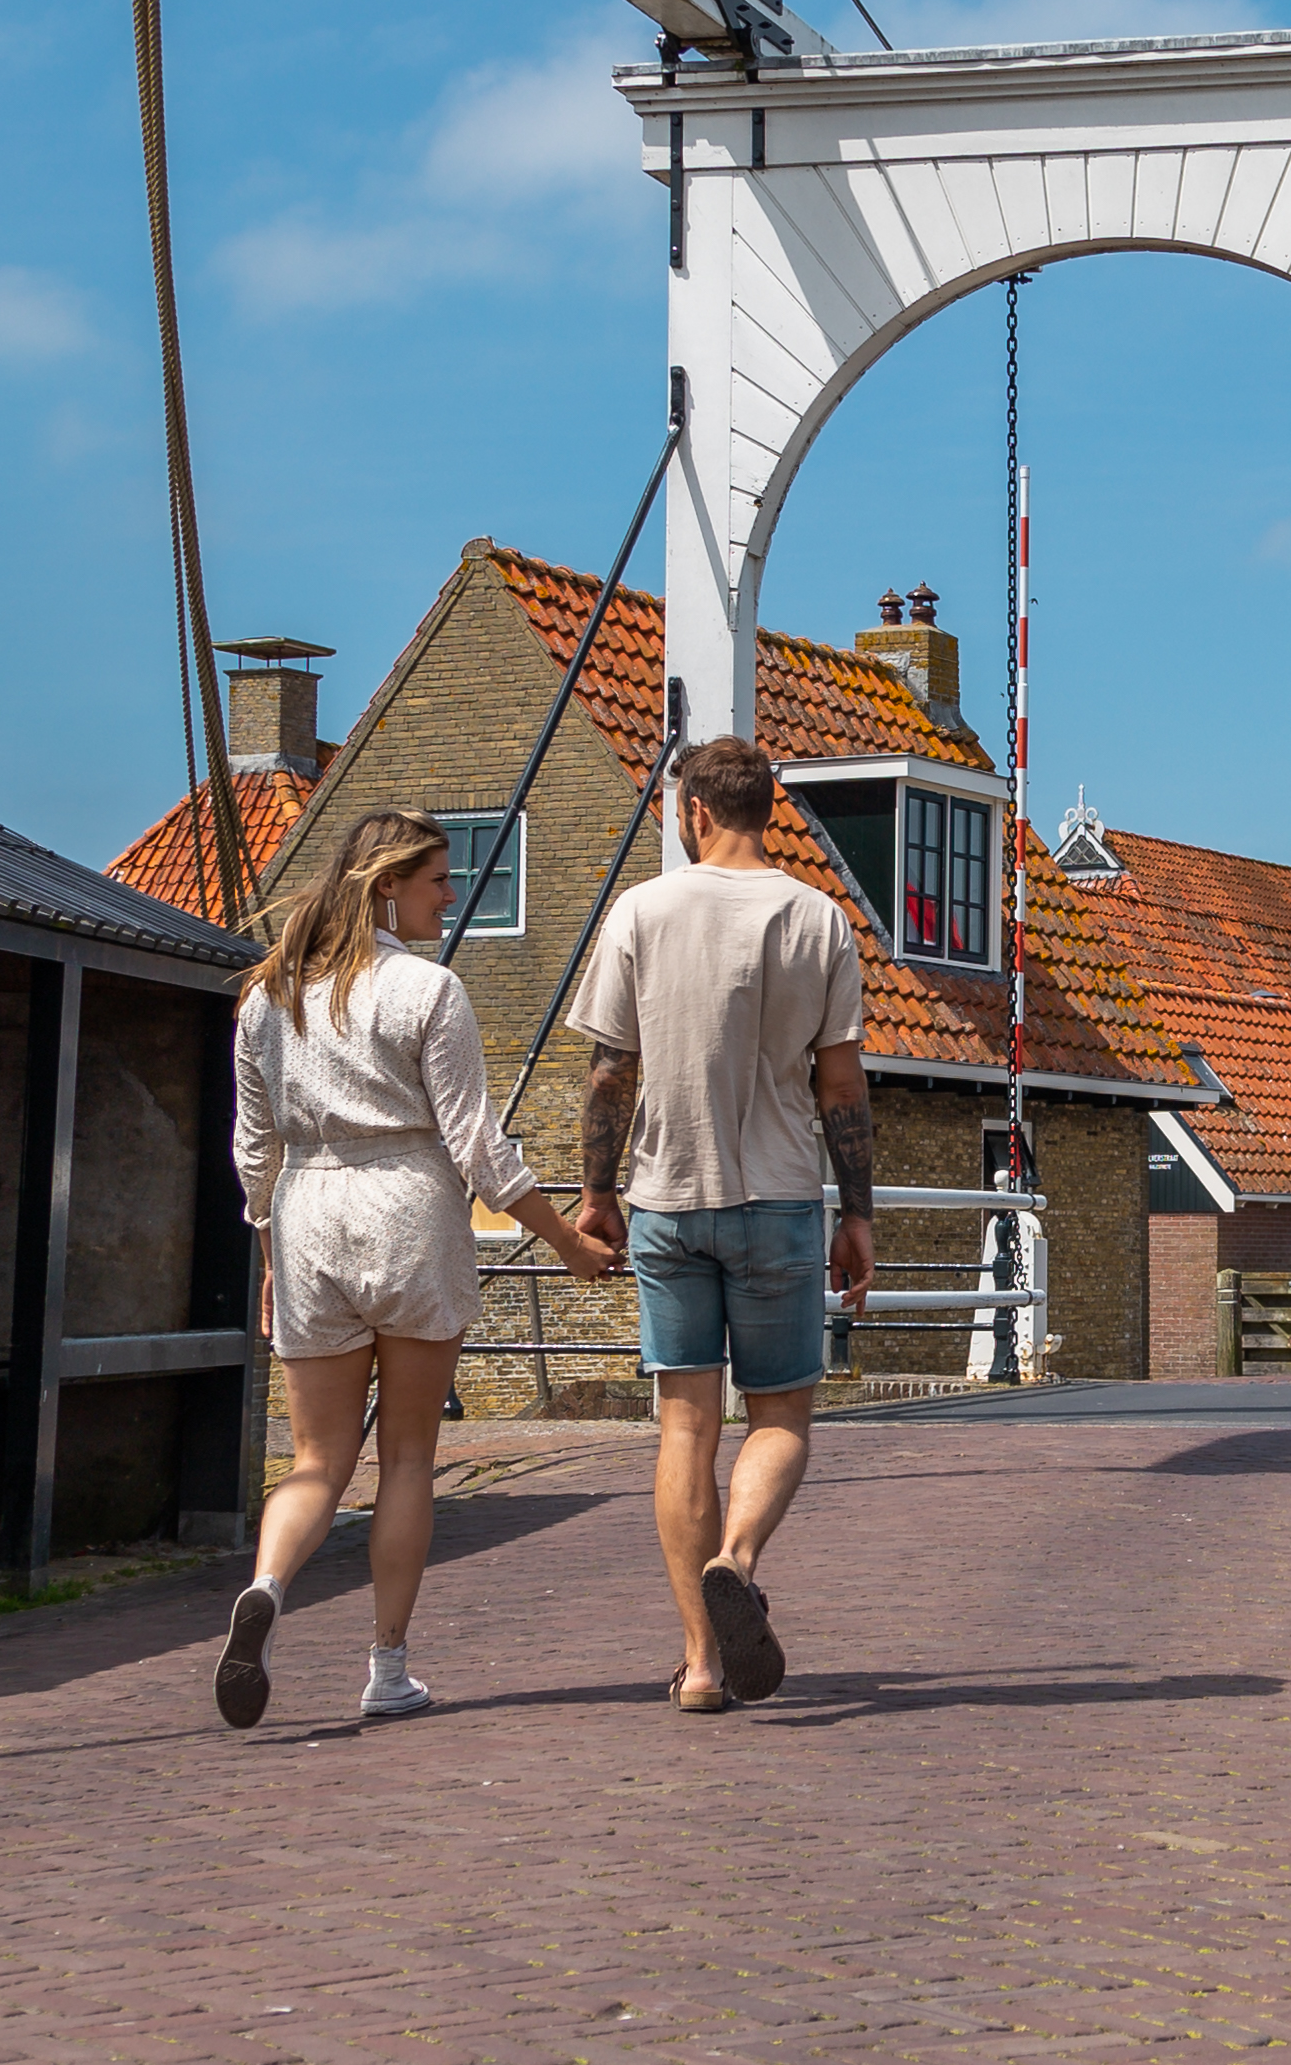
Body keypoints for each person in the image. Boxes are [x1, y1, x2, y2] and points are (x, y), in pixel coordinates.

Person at [211, 813, 614, 1731]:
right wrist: (565, 1241)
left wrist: (272, 1255)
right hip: (406, 1210)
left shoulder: (267, 998)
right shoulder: (428, 990)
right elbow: (477, 1145)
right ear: (389, 884)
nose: (450, 894)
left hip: (308, 1217)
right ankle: (386, 1668)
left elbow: (253, 1150)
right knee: (405, 1458)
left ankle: (268, 1585)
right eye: (438, 878)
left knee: (315, 1459)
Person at [564, 734, 875, 1711]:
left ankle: (700, 1664)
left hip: (667, 1196)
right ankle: (736, 1557)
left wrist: (598, 1193)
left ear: (692, 809)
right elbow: (840, 1084)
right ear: (767, 806)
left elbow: (610, 1071)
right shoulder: (818, 918)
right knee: (779, 1414)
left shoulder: (639, 912)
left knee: (683, 1427)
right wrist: (856, 1209)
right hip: (777, 1195)